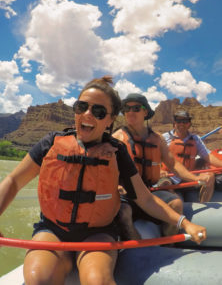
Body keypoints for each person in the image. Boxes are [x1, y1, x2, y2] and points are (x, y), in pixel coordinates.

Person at [0, 77, 206, 285]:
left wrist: (184, 223)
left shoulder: (117, 152)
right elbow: (14, 180)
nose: (87, 114)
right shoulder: (50, 143)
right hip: (53, 230)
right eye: (82, 107)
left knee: (98, 281)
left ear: (110, 119)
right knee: (38, 279)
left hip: (96, 234)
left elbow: (146, 199)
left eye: (98, 111)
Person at [112, 93, 208, 239]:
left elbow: (173, 164)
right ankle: (141, 252)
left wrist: (195, 178)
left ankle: (168, 243)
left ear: (145, 112)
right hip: (126, 194)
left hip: (149, 191)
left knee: (176, 204)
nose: (130, 112)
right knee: (124, 212)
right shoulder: (116, 139)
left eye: (136, 108)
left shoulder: (157, 139)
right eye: (127, 108)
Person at [162, 109, 222, 203]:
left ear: (189, 124)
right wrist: (160, 170)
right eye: (179, 121)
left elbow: (208, 156)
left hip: (189, 177)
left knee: (210, 176)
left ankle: (203, 205)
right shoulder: (163, 138)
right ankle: (174, 201)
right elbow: (154, 158)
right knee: (165, 183)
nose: (181, 123)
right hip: (171, 177)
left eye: (185, 121)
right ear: (174, 123)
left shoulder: (195, 139)